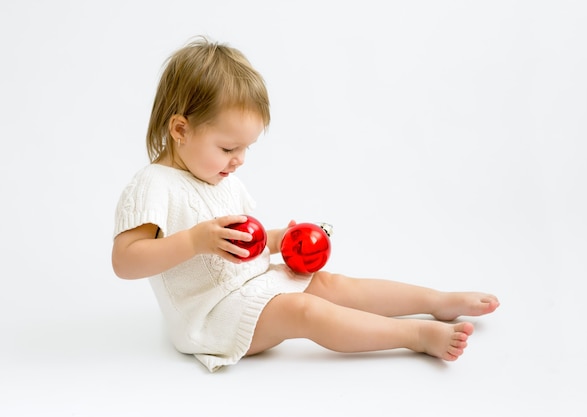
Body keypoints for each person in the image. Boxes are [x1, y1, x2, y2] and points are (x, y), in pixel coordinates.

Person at [111, 36, 500, 372]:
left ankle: (435, 301)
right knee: (304, 312)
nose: (239, 159)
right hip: (212, 316)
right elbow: (125, 260)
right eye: (228, 147)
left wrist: (280, 239)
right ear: (180, 129)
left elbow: (242, 241)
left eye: (246, 148)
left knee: (332, 284)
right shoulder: (153, 184)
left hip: (252, 284)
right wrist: (195, 241)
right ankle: (415, 335)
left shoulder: (216, 174)